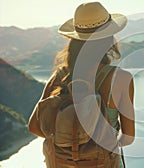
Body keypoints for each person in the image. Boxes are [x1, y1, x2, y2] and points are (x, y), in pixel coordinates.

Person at [28, 2, 135, 168]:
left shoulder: (60, 77)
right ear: (108, 38)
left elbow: (34, 127)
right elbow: (128, 137)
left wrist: (69, 140)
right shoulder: (120, 78)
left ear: (75, 40)